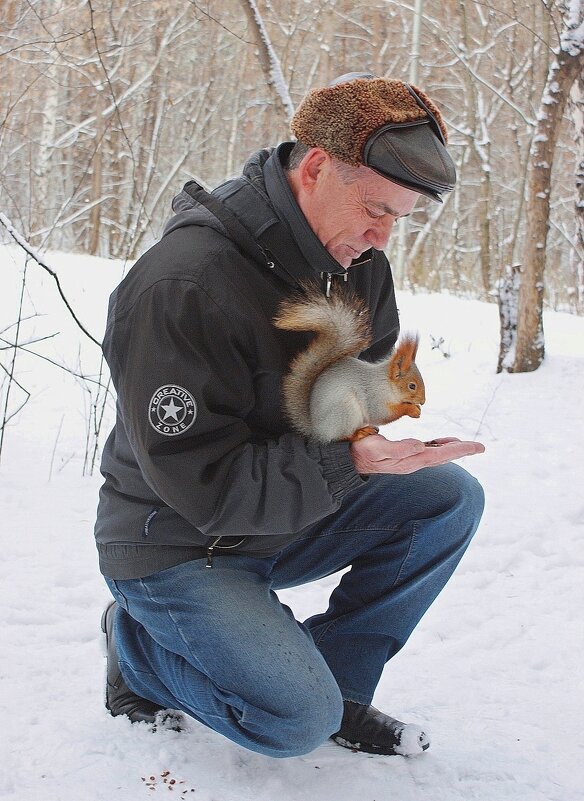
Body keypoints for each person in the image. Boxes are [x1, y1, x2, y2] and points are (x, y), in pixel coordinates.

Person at [95, 72, 485, 759]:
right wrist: (347, 460)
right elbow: (206, 484)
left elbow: (348, 398)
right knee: (290, 722)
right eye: (376, 208)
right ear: (314, 167)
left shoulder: (356, 263)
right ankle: (136, 651)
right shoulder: (181, 285)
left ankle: (337, 684)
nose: (382, 235)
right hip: (178, 541)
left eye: (399, 216)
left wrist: (370, 429)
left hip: (275, 514)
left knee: (445, 500)